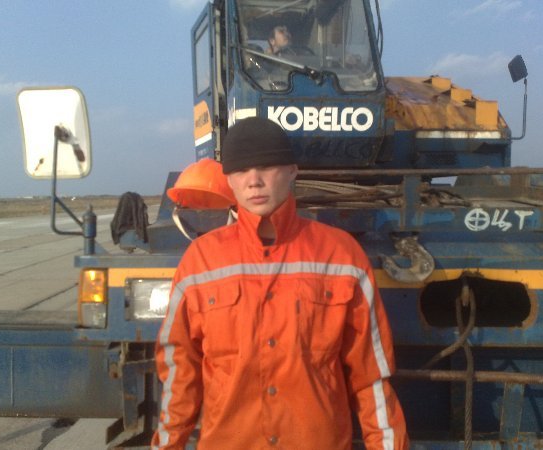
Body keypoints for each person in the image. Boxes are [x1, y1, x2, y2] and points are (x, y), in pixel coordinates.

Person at [152, 117, 409, 450]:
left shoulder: (342, 255)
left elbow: (370, 376)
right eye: (241, 170)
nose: (254, 181)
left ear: (292, 171)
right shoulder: (200, 261)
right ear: (228, 180)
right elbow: (180, 372)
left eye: (266, 166)